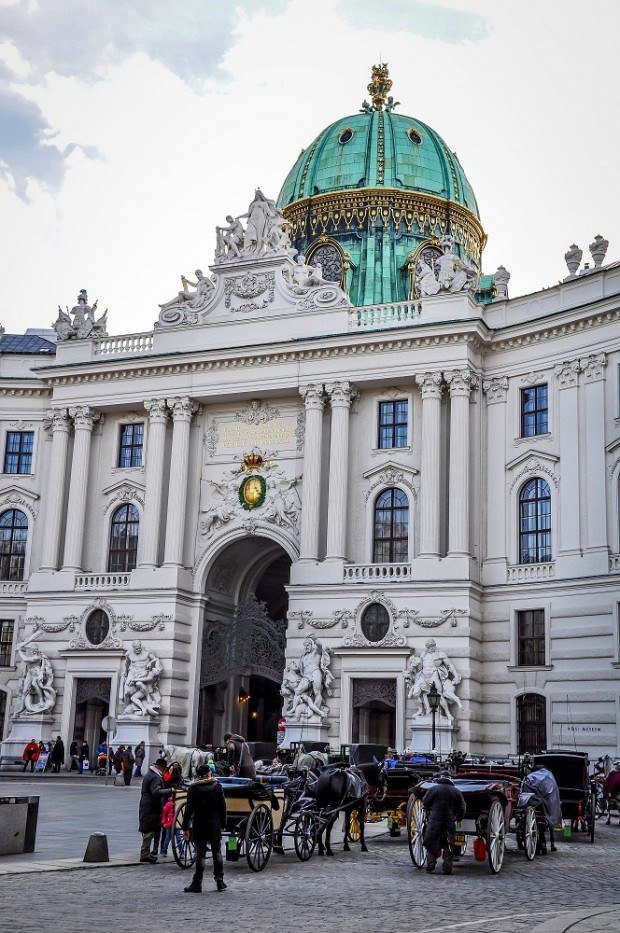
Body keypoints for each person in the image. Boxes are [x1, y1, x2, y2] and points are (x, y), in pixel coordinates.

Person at [182, 764, 227, 893]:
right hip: (214, 823)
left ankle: (197, 883)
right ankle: (219, 880)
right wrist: (223, 823)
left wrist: (185, 827)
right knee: (216, 852)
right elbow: (222, 807)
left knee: (200, 854)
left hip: (200, 823)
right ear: (208, 773)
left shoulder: (193, 789)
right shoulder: (217, 786)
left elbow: (188, 810)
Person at [422, 771, 466, 875]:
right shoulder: (456, 791)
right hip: (449, 822)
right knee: (448, 846)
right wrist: (458, 818)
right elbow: (462, 808)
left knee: (431, 843)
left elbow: (425, 802)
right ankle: (447, 868)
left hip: (434, 821)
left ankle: (430, 865)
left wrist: (429, 811)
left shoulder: (433, 789)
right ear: (450, 779)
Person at [138, 757, 172, 863]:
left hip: (146, 803)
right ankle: (144, 854)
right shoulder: (155, 777)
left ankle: (146, 853)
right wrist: (170, 790)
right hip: (151, 806)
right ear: (161, 768)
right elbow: (156, 791)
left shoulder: (149, 774)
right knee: (149, 830)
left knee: (147, 829)